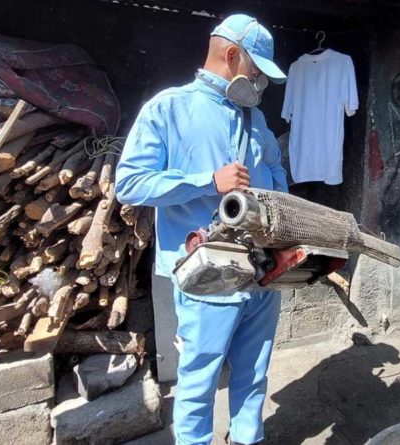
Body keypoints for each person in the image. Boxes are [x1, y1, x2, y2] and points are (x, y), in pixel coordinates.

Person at [115, 13, 288, 445]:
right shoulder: (168, 108)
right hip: (207, 275)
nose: (260, 84)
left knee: (254, 371)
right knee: (199, 378)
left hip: (263, 271)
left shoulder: (257, 120)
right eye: (256, 71)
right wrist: (208, 183)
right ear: (232, 55)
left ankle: (247, 439)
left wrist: (284, 216)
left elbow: (275, 167)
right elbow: (130, 183)